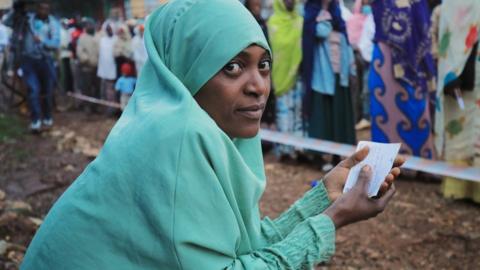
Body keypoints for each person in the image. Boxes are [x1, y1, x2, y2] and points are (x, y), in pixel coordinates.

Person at [21, 1, 403, 269]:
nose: (259, 87)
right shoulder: (176, 135)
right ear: (187, 70)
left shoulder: (183, 125)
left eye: (264, 65)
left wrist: (325, 196)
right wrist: (333, 219)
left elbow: (242, 248)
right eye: (233, 67)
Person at [369, 0, 436, 159]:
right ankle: (384, 162)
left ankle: (421, 162)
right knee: (385, 110)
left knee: (417, 110)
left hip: (416, 64)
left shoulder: (419, 3)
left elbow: (424, 30)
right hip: (385, 61)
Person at [434, 0, 480, 203]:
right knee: (459, 131)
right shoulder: (449, 6)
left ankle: (467, 190)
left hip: (465, 77)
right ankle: (458, 188)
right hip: (460, 80)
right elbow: (444, 39)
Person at [303, 0, 356, 168]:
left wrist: (351, 70)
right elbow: (320, 32)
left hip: (340, 77)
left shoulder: (337, 16)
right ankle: (318, 157)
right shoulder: (311, 12)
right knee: (322, 116)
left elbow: (346, 43)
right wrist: (325, 18)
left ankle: (336, 156)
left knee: (338, 116)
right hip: (321, 76)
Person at [3, 1, 60, 131]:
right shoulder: (27, 19)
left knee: (47, 91)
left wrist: (43, 41)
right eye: (41, 8)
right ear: (37, 8)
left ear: (49, 10)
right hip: (28, 61)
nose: (43, 11)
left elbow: (56, 43)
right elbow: (7, 23)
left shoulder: (53, 23)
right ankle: (35, 120)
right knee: (33, 90)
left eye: (46, 8)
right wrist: (15, 10)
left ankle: (47, 116)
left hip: (46, 61)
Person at [269, 0, 304, 158]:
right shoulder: (273, 23)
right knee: (284, 111)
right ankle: (284, 150)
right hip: (281, 74)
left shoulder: (300, 21)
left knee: (299, 111)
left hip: (299, 75)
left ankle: (299, 149)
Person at [245, 0, 276, 129]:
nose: (258, 2)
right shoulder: (244, 21)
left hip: (262, 68)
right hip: (248, 70)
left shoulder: (262, 22)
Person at [347, 0, 375, 130]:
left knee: (368, 89)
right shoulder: (353, 20)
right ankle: (363, 116)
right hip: (358, 57)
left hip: (372, 59)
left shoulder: (373, 17)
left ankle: (369, 116)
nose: (366, 7)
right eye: (364, 4)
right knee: (361, 90)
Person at [76, 19, 99, 112]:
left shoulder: (98, 37)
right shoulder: (82, 38)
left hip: (98, 68)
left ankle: (96, 106)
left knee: (97, 88)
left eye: (92, 25)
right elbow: (80, 53)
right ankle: (87, 106)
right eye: (88, 25)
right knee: (86, 88)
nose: (90, 27)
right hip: (86, 68)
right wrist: (87, 60)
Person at [97, 23, 117, 115]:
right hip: (105, 69)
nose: (109, 30)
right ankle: (109, 108)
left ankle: (115, 108)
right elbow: (101, 55)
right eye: (107, 29)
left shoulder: (116, 39)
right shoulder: (102, 40)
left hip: (115, 68)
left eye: (110, 28)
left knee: (114, 89)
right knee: (107, 90)